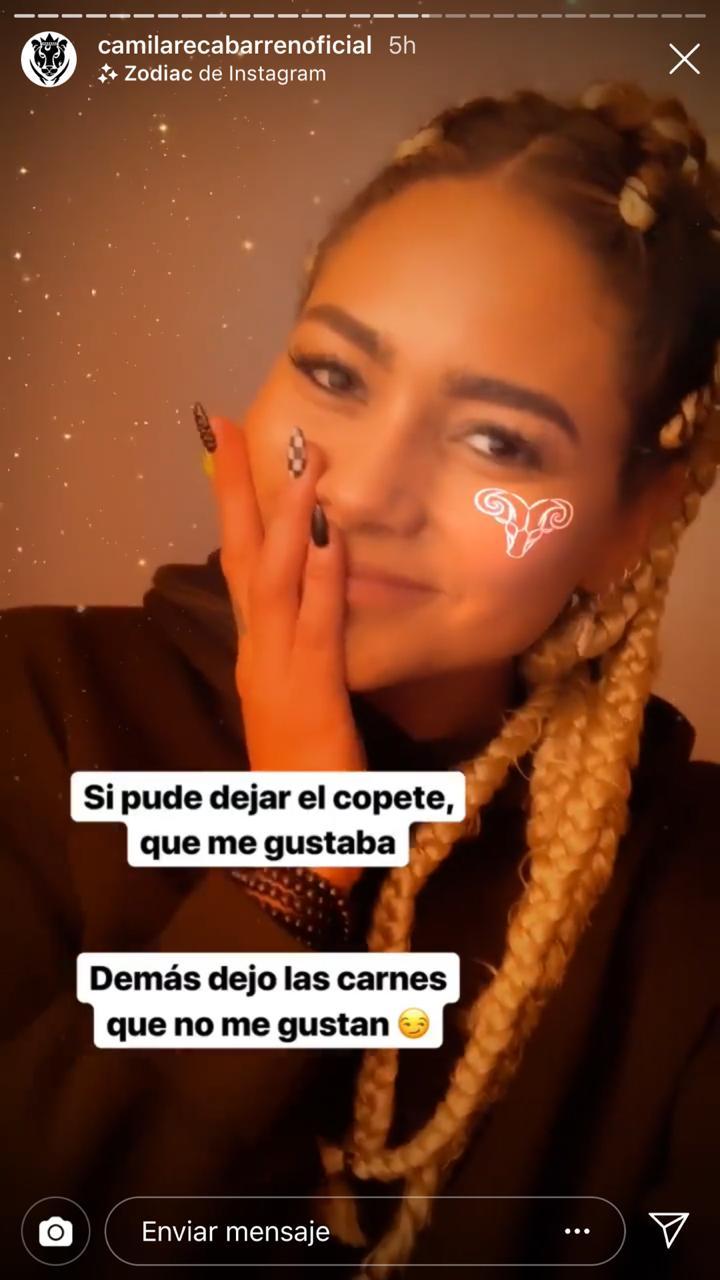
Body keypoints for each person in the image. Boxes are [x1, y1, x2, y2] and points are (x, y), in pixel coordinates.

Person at [2, 79, 719, 1279]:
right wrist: (294, 853)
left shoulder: (690, 887)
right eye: (336, 374)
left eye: (499, 440)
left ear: (632, 518)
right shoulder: (34, 702)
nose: (369, 490)